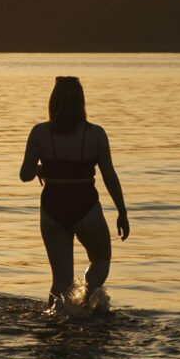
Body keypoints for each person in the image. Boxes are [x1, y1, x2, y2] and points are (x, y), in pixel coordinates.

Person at [20, 76, 129, 306]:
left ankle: (55, 320)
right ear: (82, 103)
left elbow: (25, 175)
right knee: (101, 260)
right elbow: (109, 175)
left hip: (52, 208)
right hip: (85, 206)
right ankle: (87, 297)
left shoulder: (39, 133)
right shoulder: (96, 134)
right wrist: (122, 212)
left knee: (60, 281)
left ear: (53, 102)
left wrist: (42, 169)